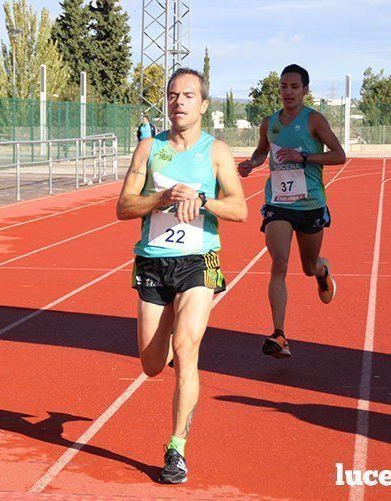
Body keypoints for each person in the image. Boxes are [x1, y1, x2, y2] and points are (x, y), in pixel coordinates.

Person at [117, 68, 247, 484]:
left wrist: (203, 200)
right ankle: (169, 329)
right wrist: (162, 197)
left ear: (203, 104)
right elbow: (123, 207)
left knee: (186, 348)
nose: (178, 102)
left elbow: (240, 209)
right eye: (173, 95)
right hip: (154, 262)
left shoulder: (217, 152)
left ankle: (176, 448)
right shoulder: (148, 149)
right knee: (152, 365)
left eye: (188, 95)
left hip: (199, 260)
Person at [237, 64, 346, 358]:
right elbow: (262, 151)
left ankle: (322, 272)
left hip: (310, 204)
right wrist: (252, 163)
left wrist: (305, 156)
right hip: (278, 204)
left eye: (294, 87)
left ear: (305, 90)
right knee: (279, 263)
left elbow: (340, 155)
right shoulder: (269, 123)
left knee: (308, 267)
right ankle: (279, 334)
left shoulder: (315, 120)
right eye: (284, 87)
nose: (288, 92)